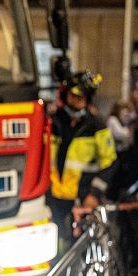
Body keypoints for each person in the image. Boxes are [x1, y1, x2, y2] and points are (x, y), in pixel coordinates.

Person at [47, 71, 117, 250]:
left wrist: (94, 194)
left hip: (81, 197)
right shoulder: (53, 122)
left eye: (81, 98)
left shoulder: (96, 127)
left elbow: (109, 163)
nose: (76, 101)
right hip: (53, 196)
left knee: (78, 247)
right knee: (52, 245)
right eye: (73, 96)